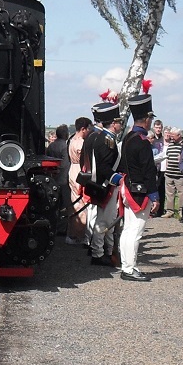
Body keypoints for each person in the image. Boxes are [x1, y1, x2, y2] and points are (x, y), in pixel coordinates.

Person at [116, 93, 160, 281]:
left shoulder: (128, 138)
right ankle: (129, 268)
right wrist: (155, 196)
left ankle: (127, 265)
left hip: (127, 186)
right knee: (135, 232)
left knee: (128, 230)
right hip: (139, 191)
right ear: (147, 119)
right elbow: (149, 171)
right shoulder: (142, 143)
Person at [80, 101, 123, 267]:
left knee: (106, 220)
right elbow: (105, 168)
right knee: (103, 222)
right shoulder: (105, 140)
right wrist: (118, 180)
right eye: (119, 121)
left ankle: (103, 251)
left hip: (107, 185)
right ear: (113, 123)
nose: (120, 124)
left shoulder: (106, 138)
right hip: (106, 186)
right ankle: (98, 254)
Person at [65, 117, 92, 244]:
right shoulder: (81, 143)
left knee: (74, 201)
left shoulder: (70, 140)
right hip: (80, 170)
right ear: (83, 129)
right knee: (81, 203)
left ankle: (72, 232)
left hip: (72, 169)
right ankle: (79, 234)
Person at [160, 127, 183, 218]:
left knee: (181, 193)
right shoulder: (170, 145)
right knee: (169, 193)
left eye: (173, 136)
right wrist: (166, 170)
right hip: (169, 173)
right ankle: (170, 211)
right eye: (171, 136)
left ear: (179, 135)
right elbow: (168, 158)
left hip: (179, 174)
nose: (172, 138)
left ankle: (181, 210)